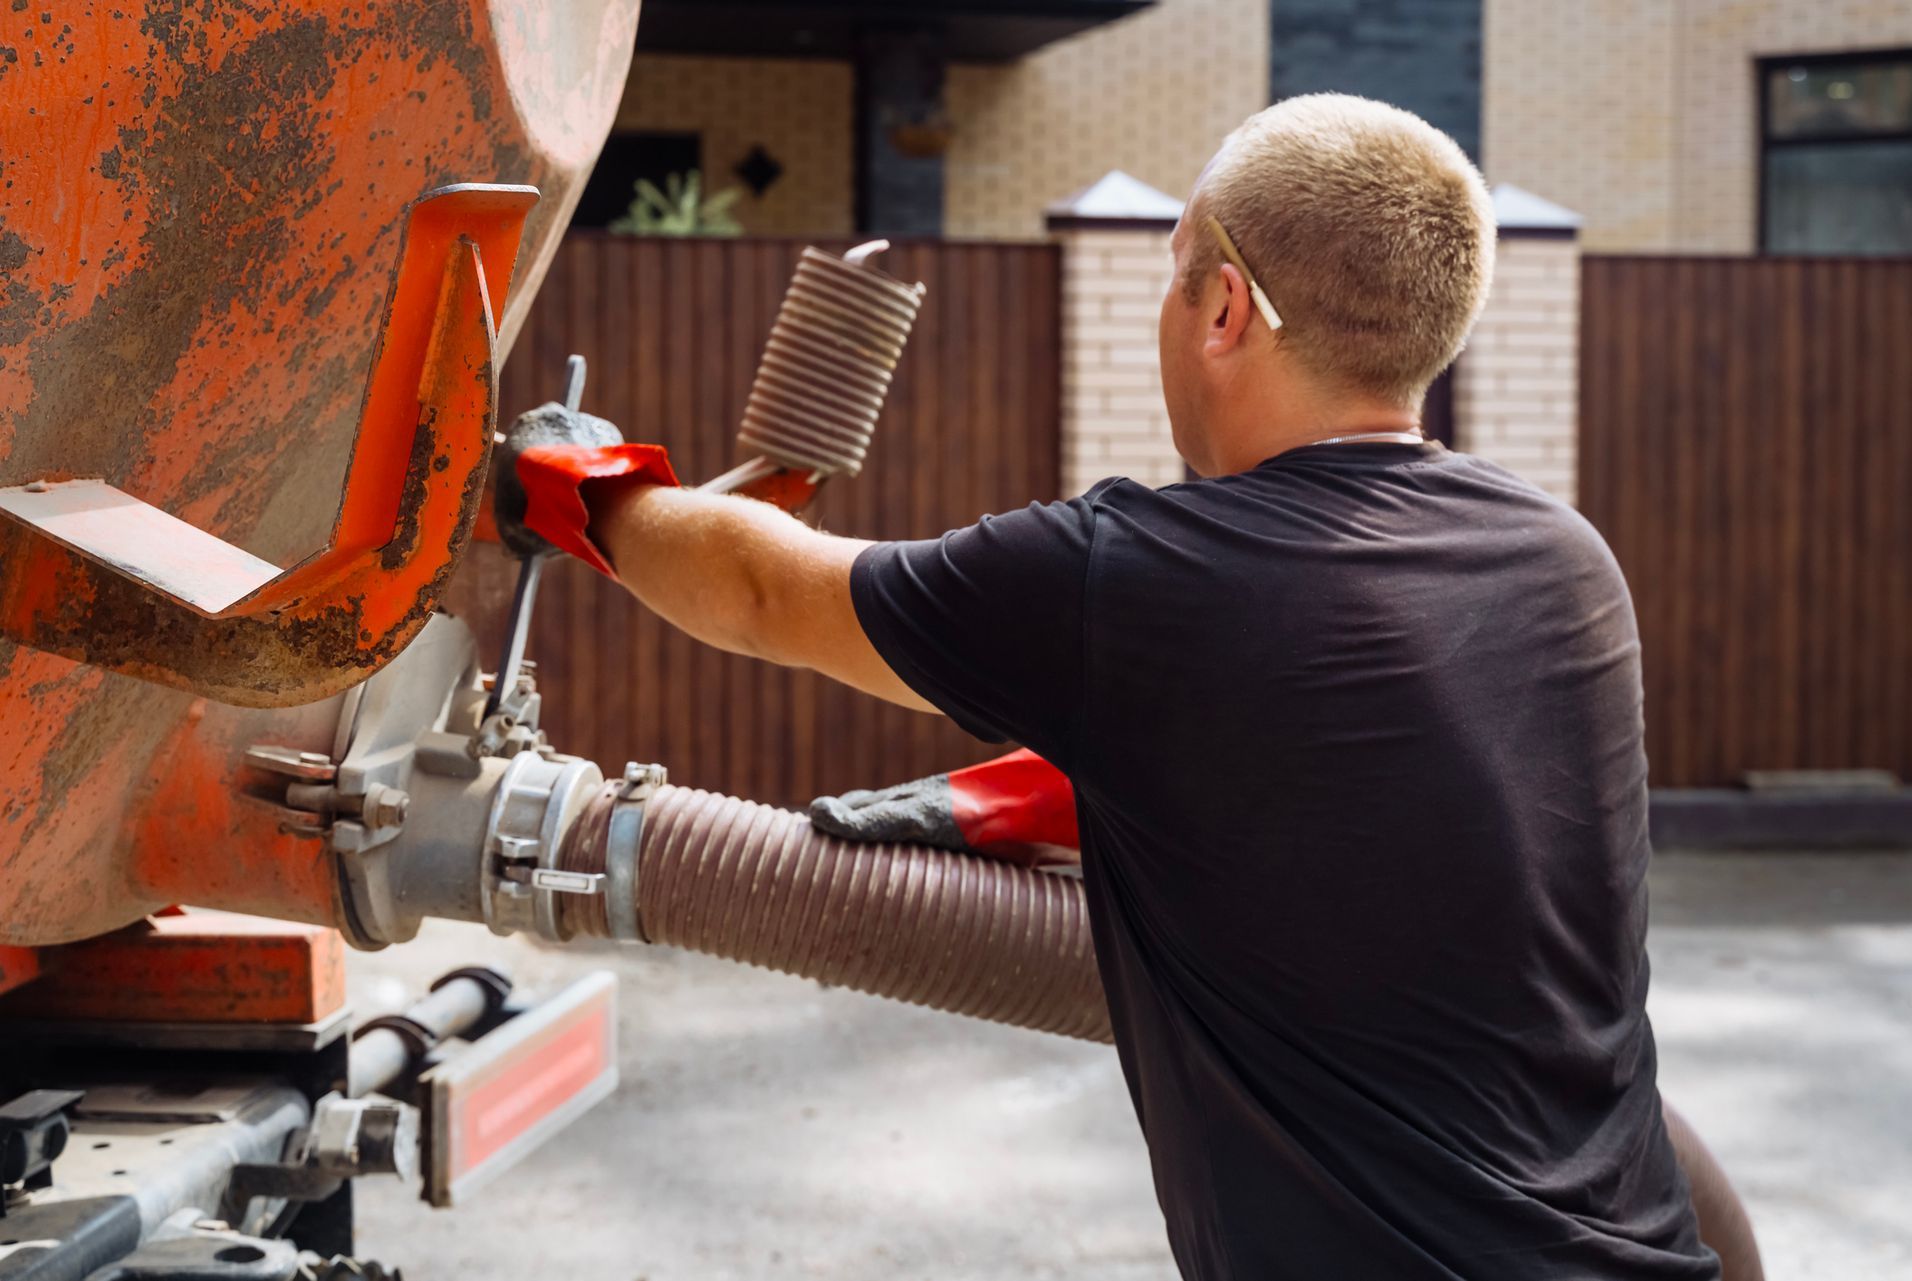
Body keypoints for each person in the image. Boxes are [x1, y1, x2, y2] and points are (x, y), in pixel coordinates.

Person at [498, 93, 1760, 1280]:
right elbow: (1414, 802)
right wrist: (1066, 789)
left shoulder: (1132, 580)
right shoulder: (1563, 562)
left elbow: (767, 591)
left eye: (1171, 274)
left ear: (1224, 307)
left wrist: (586, 481)